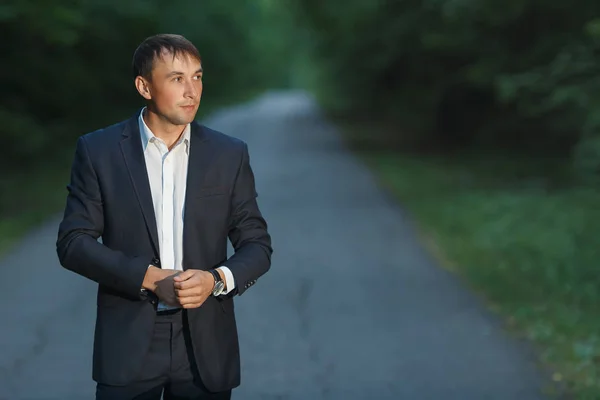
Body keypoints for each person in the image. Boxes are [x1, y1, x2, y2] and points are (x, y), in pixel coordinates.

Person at [56, 33, 273, 400]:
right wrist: (149, 278)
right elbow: (73, 242)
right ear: (144, 86)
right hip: (128, 342)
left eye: (198, 77)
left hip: (205, 345)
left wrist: (216, 280)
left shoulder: (228, 154)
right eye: (177, 78)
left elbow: (257, 245)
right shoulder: (99, 151)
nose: (192, 91)